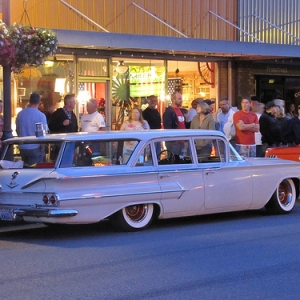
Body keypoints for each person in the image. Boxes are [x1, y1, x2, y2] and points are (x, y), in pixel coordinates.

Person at [15, 93, 48, 166]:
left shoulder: (20, 114)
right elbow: (42, 134)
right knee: (35, 170)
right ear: (39, 102)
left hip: (22, 146)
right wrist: (42, 147)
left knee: (25, 169)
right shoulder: (41, 116)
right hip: (35, 147)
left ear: (29, 101)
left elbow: (17, 130)